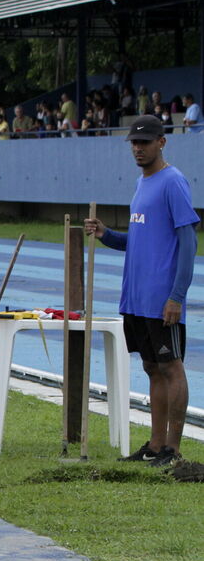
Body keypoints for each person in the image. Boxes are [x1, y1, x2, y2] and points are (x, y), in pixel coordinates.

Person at [84, 115, 198, 468]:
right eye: (134, 142)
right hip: (135, 298)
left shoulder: (173, 182)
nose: (138, 148)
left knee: (171, 367)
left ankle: (173, 451)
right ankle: (155, 444)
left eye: (145, 142)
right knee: (151, 366)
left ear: (161, 143)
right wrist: (107, 235)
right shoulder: (141, 184)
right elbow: (140, 242)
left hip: (161, 298)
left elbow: (188, 242)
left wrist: (177, 296)